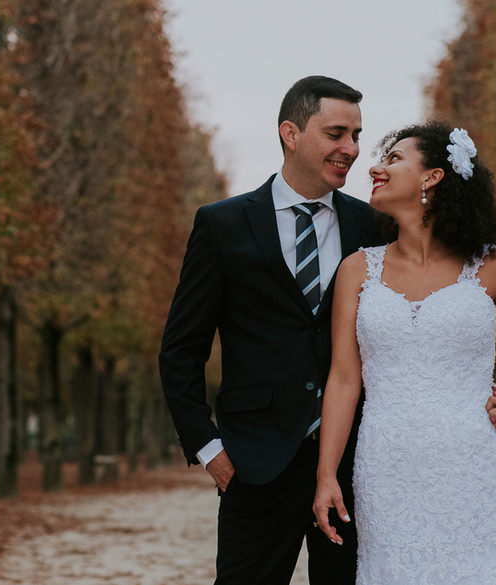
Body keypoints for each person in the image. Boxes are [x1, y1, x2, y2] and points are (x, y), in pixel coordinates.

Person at [312, 122, 496, 583]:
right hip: (386, 468)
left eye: (394, 158)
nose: (375, 167)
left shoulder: (492, 266)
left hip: (473, 466)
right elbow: (344, 379)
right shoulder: (357, 270)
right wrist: (326, 475)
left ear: (432, 177)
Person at [159, 76, 381, 585]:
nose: (350, 149)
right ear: (291, 133)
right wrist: (209, 450)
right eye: (336, 133)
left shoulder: (373, 227)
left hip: (356, 463)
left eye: (356, 135)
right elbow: (180, 349)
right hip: (256, 463)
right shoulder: (223, 225)